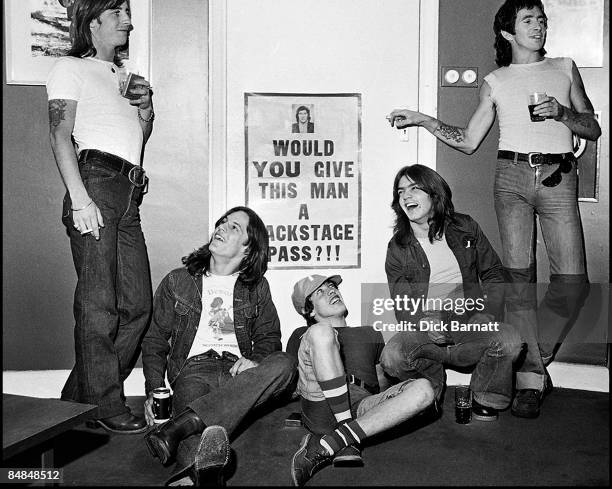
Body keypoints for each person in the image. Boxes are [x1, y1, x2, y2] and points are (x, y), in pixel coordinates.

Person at [387, 0, 600, 418]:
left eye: (541, 19)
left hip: (558, 176)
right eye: (528, 20)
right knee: (519, 282)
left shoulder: (564, 68)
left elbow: (591, 127)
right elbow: (467, 141)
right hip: (511, 177)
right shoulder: (496, 80)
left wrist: (560, 112)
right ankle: (532, 376)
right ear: (508, 31)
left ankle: (528, 355)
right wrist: (423, 119)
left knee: (573, 284)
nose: (538, 26)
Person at [46, 0, 155, 433]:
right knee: (98, 305)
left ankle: (75, 404)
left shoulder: (124, 78)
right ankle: (108, 407)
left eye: (128, 12)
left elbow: (138, 140)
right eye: (118, 13)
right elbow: (59, 134)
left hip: (129, 191)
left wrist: (147, 108)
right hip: (96, 181)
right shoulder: (70, 68)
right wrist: (80, 198)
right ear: (93, 22)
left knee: (139, 306)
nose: (127, 20)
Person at [142, 207, 297, 486]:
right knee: (202, 422)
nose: (222, 227)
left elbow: (269, 337)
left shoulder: (257, 287)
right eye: (223, 222)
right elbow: (154, 340)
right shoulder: (178, 280)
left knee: (285, 363)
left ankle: (180, 426)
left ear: (248, 249)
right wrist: (155, 388)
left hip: (238, 374)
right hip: (193, 370)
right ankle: (198, 473)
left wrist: (257, 360)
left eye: (234, 227)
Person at [379, 165, 522, 425]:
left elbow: (493, 274)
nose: (405, 196)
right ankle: (429, 391)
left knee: (509, 340)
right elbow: (401, 302)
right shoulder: (398, 247)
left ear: (434, 193)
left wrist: (486, 313)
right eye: (400, 192)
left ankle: (485, 396)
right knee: (392, 356)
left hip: (467, 319)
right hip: (426, 325)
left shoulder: (465, 226)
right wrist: (422, 322)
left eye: (414, 188)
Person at [287, 274, 435, 486]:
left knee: (424, 390)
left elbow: (382, 380)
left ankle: (331, 443)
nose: (331, 291)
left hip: (360, 402)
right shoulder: (301, 334)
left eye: (331, 287)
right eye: (320, 292)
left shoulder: (369, 332)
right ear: (307, 310)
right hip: (319, 401)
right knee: (321, 332)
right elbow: (293, 383)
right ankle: (346, 428)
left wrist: (394, 400)